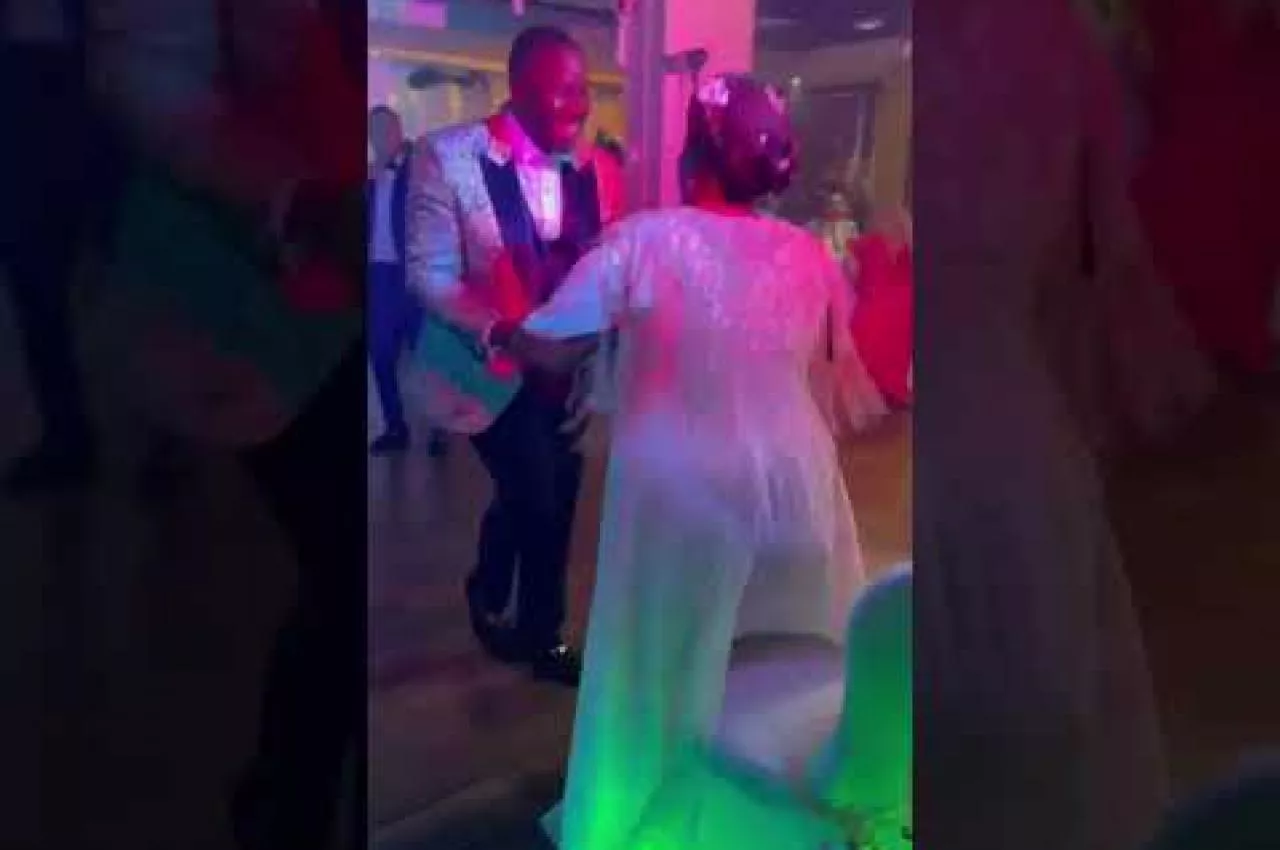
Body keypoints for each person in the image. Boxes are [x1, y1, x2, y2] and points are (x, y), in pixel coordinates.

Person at [487, 74, 887, 850]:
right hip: (797, 484)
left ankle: (636, 813)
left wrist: (498, 329)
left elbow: (550, 344)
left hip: (684, 488)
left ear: (694, 154)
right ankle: (762, 817)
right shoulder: (808, 253)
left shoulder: (644, 239)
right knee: (790, 659)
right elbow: (824, 370)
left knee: (654, 668)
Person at [913, 1, 1215, 848]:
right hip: (1014, 433)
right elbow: (1095, 295)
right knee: (1037, 749)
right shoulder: (1053, 38)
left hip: (967, 427)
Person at [93, 0, 366, 846]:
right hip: (254, 287)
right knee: (343, 567)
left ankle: (291, 800)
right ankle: (287, 805)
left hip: (331, 279)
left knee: (344, 573)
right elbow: (153, 86)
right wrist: (305, 201)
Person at [405, 25, 625, 686]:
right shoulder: (447, 156)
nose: (580, 106)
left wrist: (594, 361)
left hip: (567, 371)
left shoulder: (598, 169)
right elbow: (430, 276)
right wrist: (508, 333)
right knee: (535, 493)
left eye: (584, 91)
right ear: (520, 89)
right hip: (487, 367)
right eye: (565, 91)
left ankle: (518, 610)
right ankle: (528, 623)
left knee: (555, 493)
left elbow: (605, 271)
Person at [1, 0, 97, 495]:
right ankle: (68, 431)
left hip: (76, 77)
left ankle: (71, 432)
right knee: (36, 274)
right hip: (50, 76)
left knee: (41, 273)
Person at [367, 105, 448, 457]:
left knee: (428, 354)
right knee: (381, 353)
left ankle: (440, 426)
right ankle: (394, 426)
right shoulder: (369, 176)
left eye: (385, 129)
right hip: (378, 275)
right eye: (373, 131)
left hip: (411, 274)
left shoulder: (417, 167)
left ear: (398, 131)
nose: (379, 137)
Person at [848, 205, 913, 408]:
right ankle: (884, 389)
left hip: (890, 303)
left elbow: (851, 274)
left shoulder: (870, 245)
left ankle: (886, 388)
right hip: (882, 303)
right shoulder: (868, 245)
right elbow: (851, 273)